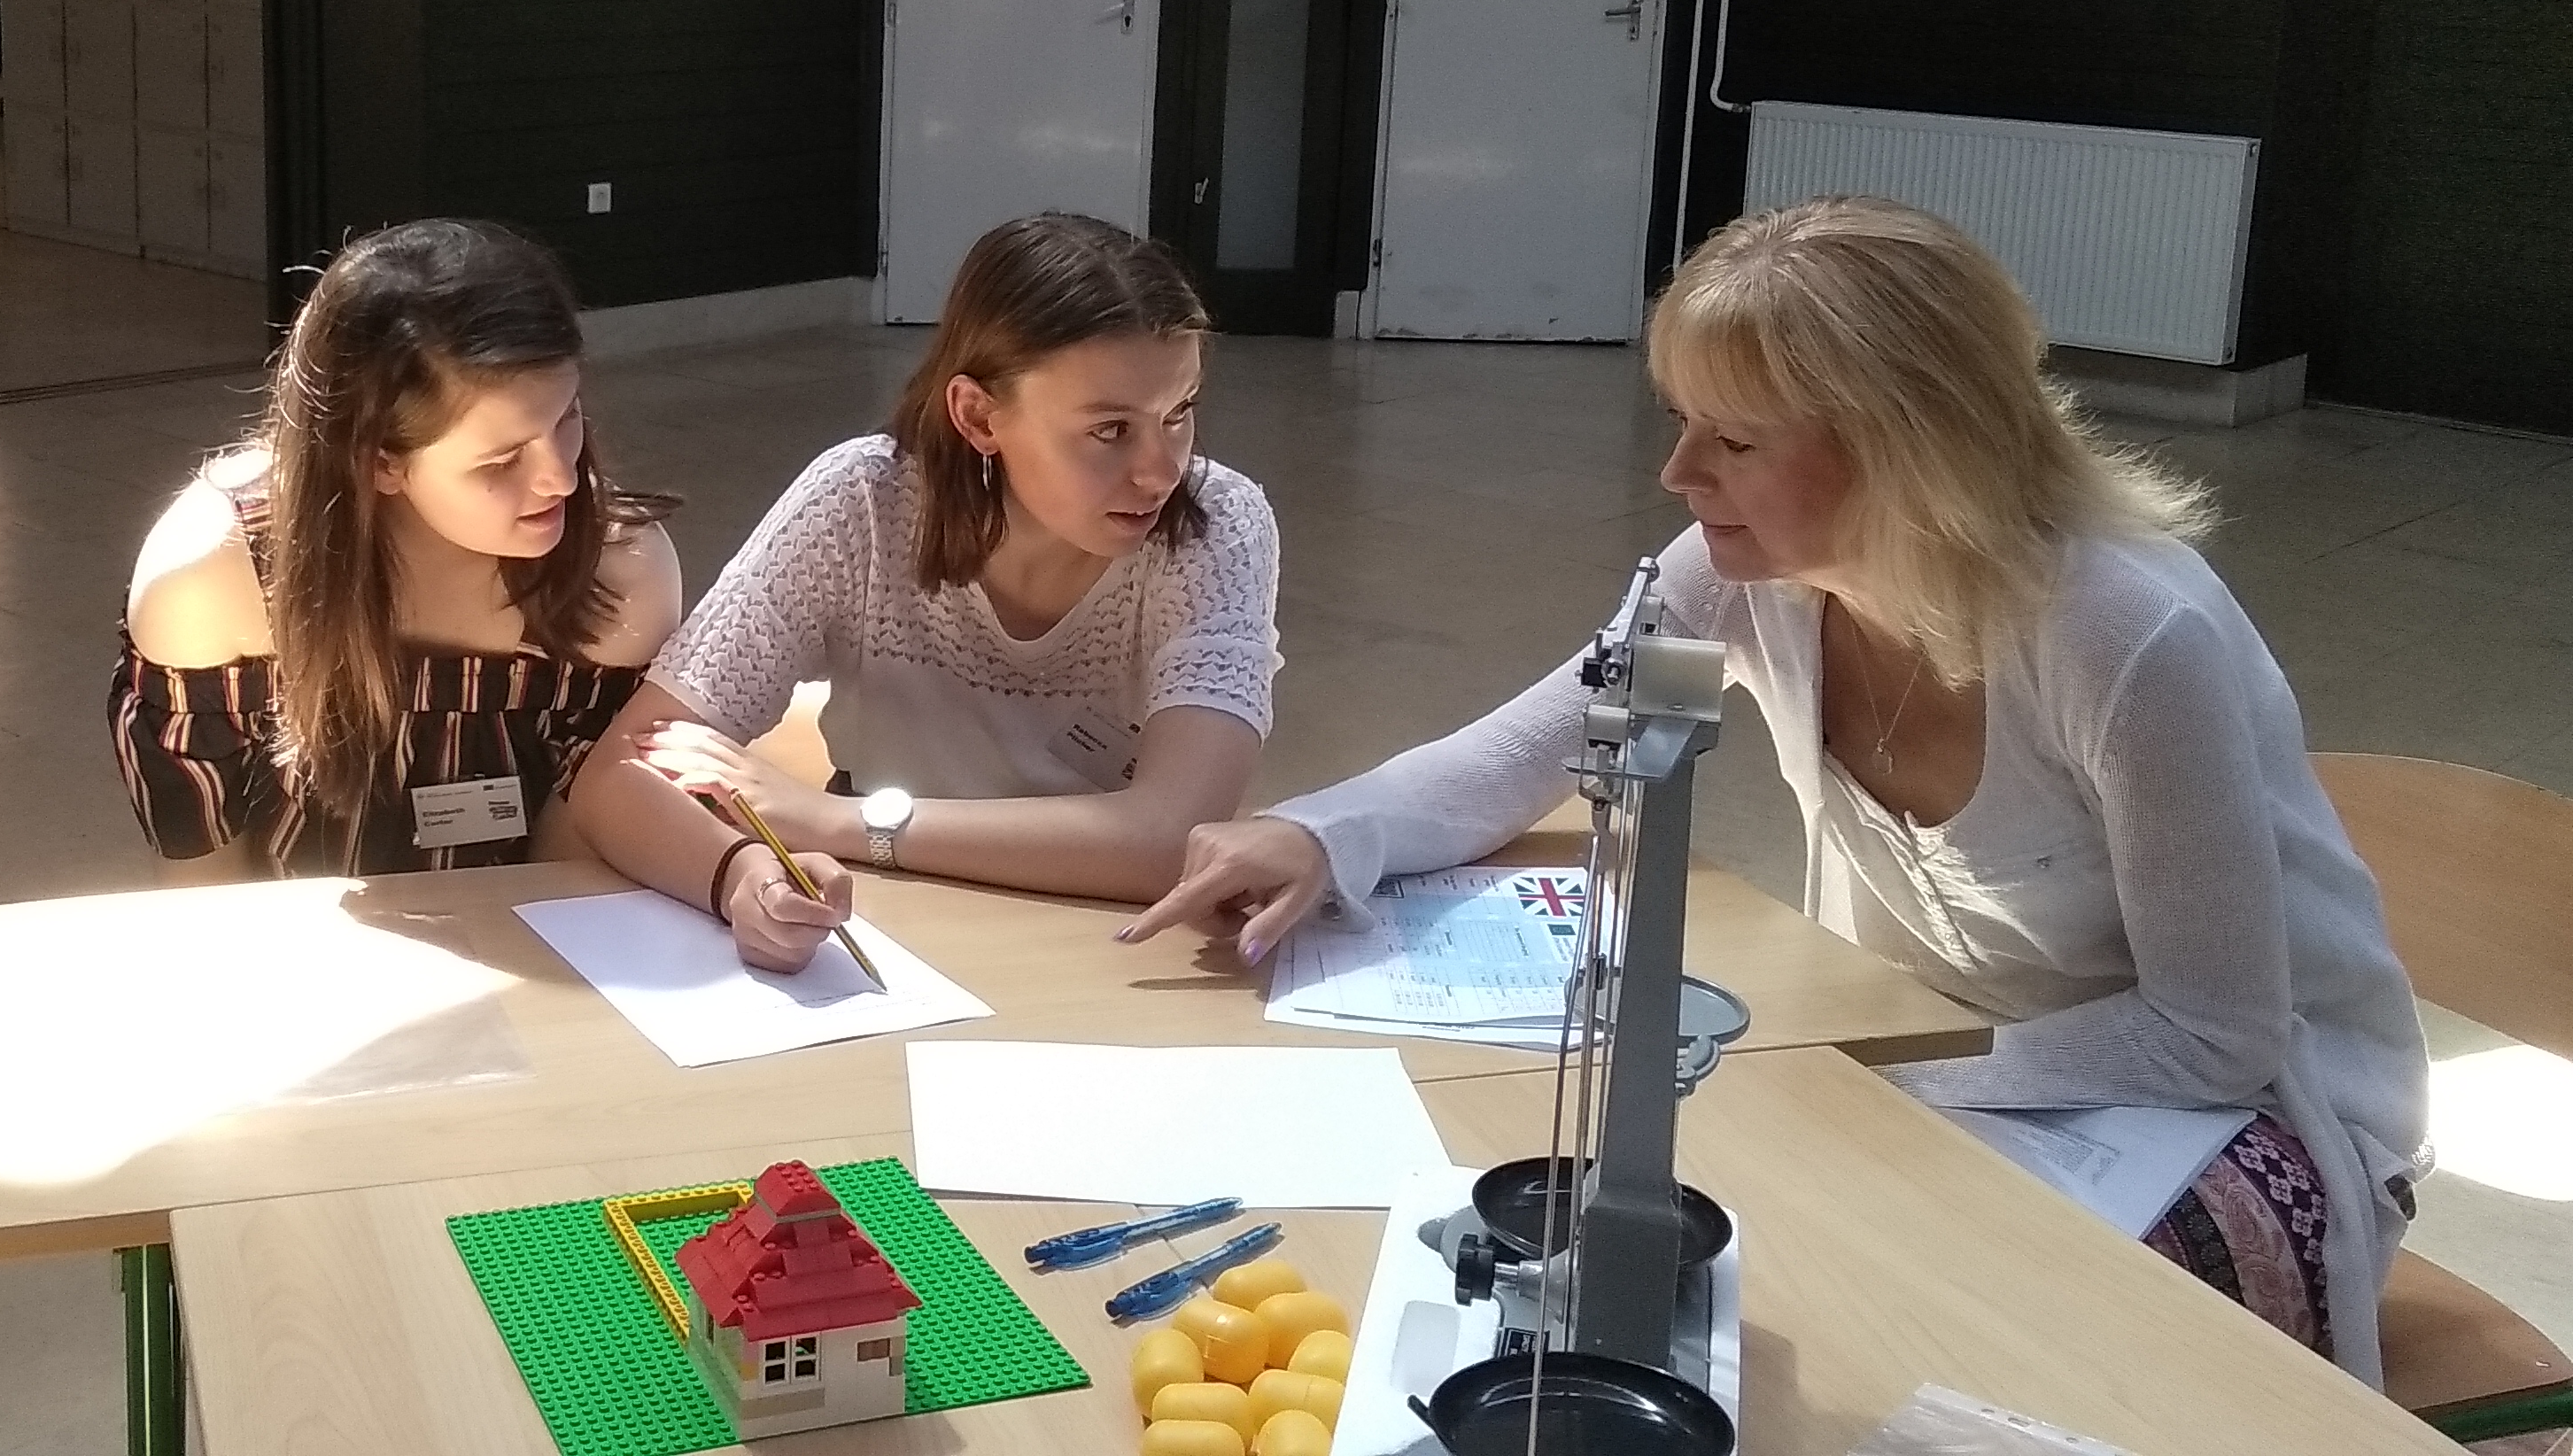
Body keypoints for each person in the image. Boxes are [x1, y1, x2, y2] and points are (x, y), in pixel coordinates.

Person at [1125, 195, 2425, 1379]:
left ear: (1907, 451)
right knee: (1693, 1263)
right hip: (1932, 1071)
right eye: (1681, 424)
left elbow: (2212, 1035)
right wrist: (1317, 832)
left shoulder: (2123, 636)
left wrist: (1867, 1083)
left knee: (1880, 1327)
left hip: (2236, 1120)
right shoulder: (1738, 574)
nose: (1678, 474)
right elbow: (1526, 752)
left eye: (1734, 439)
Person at [566, 213, 1280, 972]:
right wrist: (738, 875)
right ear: (978, 416)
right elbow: (616, 779)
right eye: (1111, 431)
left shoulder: (1218, 525)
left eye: (1179, 413)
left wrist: (841, 823)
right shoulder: (861, 502)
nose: (1162, 471)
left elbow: (1172, 842)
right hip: (888, 924)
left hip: (1101, 946)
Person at [111, 218, 681, 879]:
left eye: (567, 417)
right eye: (501, 461)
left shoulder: (619, 574)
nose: (562, 478)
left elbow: (569, 877)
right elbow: (208, 889)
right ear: (380, 462)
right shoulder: (211, 581)